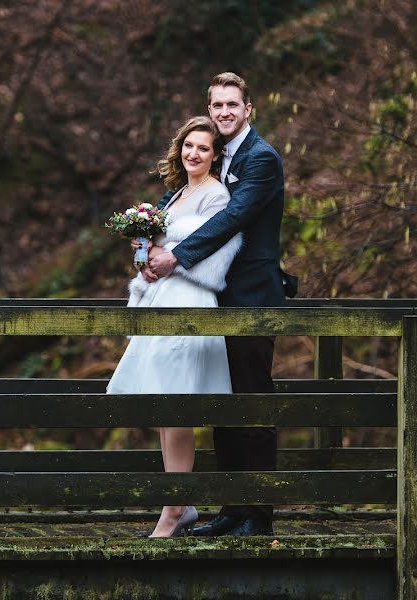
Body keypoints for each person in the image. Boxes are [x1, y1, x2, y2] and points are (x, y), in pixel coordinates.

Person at [145, 72, 286, 537]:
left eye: (232, 104)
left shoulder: (261, 159)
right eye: (217, 105)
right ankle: (231, 510)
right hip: (214, 298)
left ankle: (258, 516)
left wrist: (177, 258)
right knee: (224, 406)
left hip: (252, 299)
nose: (224, 112)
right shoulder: (217, 155)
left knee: (252, 404)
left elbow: (234, 216)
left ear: (249, 109)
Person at [107, 115, 242, 538]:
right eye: (188, 146)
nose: (193, 153)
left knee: (179, 406)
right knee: (165, 408)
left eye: (203, 148)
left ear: (215, 154)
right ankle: (180, 506)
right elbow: (170, 249)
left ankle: (174, 507)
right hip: (162, 301)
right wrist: (146, 249)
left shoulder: (216, 196)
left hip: (189, 303)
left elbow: (215, 253)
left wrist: (170, 258)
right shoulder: (176, 194)